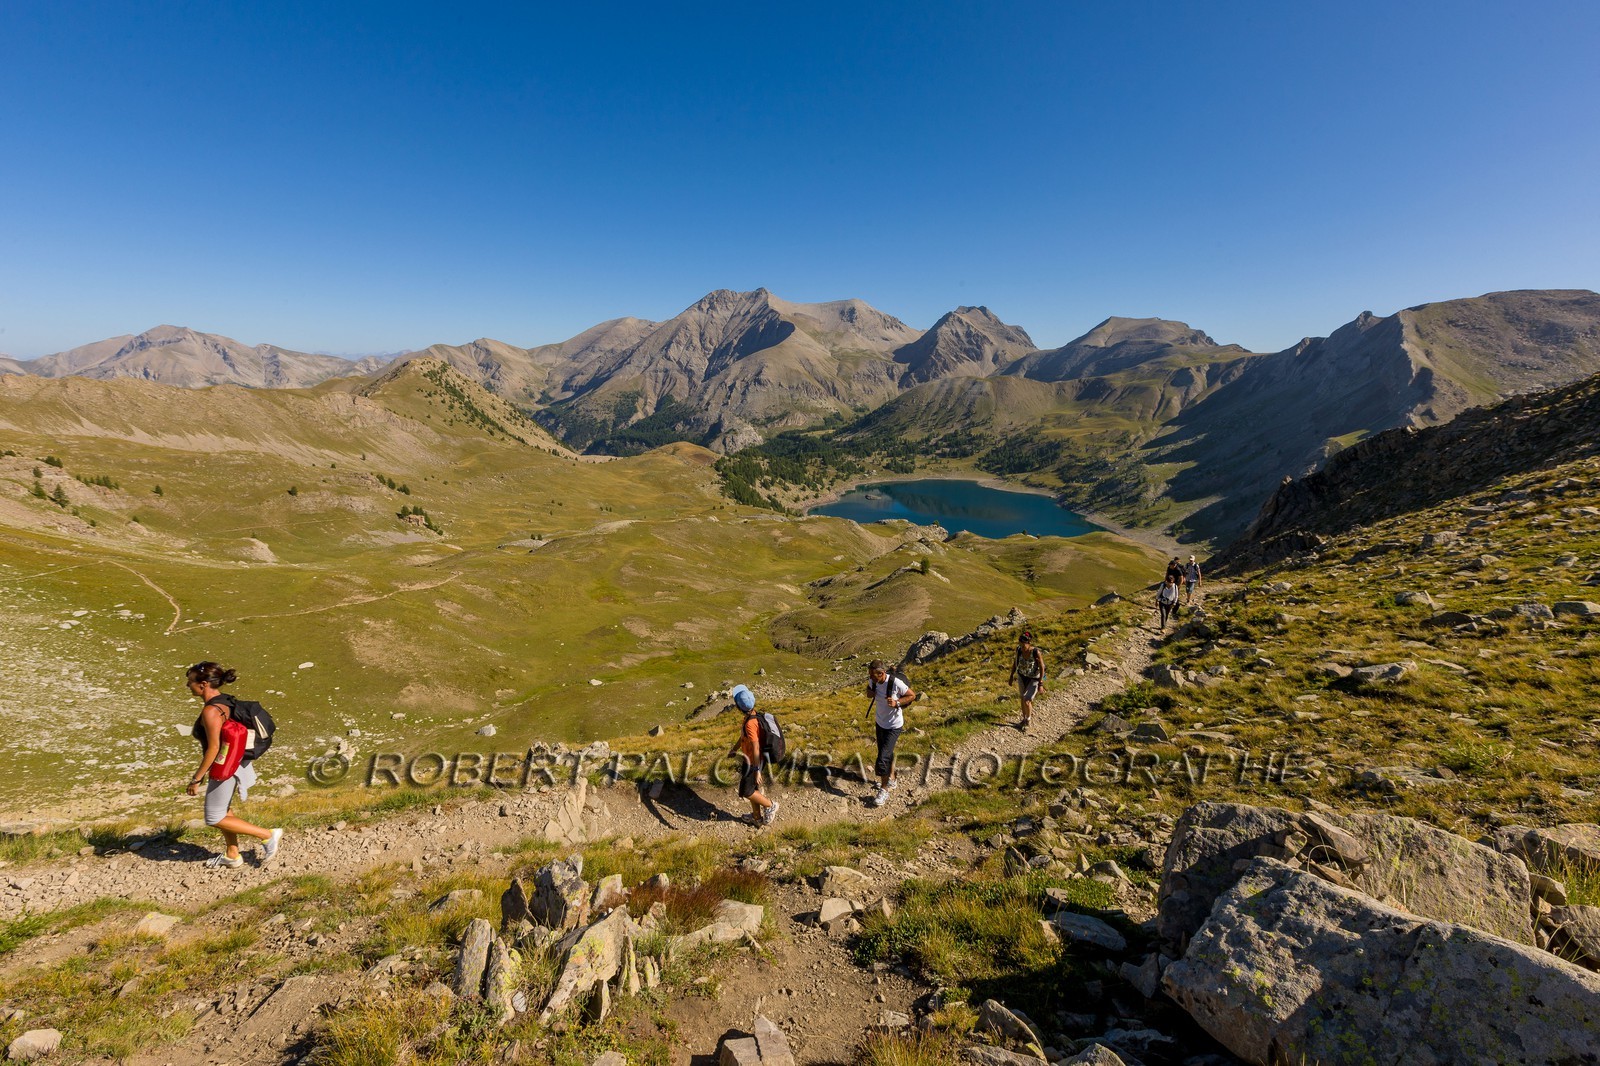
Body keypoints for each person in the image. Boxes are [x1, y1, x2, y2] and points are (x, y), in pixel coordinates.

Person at [186, 662, 282, 868]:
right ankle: (232, 855)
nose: (188, 685)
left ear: (203, 684)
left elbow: (213, 748)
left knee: (213, 817)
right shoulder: (226, 702)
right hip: (235, 762)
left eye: (190, 682)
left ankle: (267, 835)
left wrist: (196, 778)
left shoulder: (211, 711)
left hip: (224, 767)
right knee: (224, 811)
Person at [724, 684, 777, 826]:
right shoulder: (753, 716)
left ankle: (770, 805)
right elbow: (744, 737)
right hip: (752, 759)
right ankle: (756, 817)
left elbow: (755, 746)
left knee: (747, 792)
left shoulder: (750, 723)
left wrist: (756, 770)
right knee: (753, 789)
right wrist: (735, 749)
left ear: (739, 706)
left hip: (753, 761)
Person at [865, 661, 916, 808]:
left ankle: (884, 790)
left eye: (873, 676)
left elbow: (912, 695)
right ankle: (892, 779)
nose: (871, 678)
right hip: (880, 723)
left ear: (881, 674)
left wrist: (897, 703)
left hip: (894, 726)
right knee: (887, 753)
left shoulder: (895, 683)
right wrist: (871, 692)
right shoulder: (872, 681)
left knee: (882, 759)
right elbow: (868, 693)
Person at [1007, 630, 1045, 731]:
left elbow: (1042, 667)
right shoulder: (1019, 650)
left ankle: (1028, 720)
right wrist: (1011, 676)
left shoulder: (1036, 652)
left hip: (1034, 678)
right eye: (1020, 644)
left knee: (1026, 699)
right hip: (1021, 676)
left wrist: (1041, 683)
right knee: (1022, 698)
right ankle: (1023, 719)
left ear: (1029, 643)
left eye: (1024, 644)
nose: (1022, 646)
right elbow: (1015, 663)